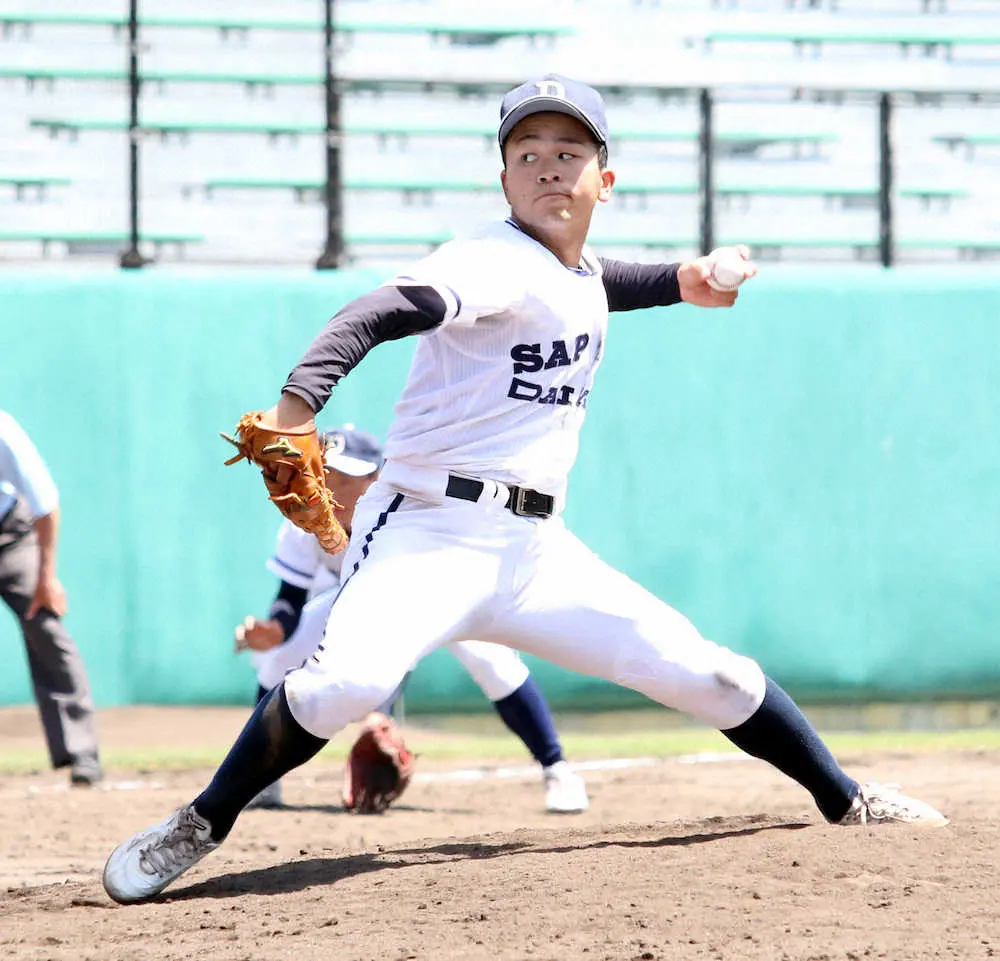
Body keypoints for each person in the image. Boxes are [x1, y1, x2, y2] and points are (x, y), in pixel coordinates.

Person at [103, 74, 948, 905]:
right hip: (428, 531)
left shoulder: (573, 273)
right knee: (341, 689)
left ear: (603, 181)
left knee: (715, 676)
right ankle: (202, 820)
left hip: (537, 553)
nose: (548, 166)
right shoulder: (486, 261)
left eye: (569, 152)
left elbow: (596, 283)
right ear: (503, 178)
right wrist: (298, 403)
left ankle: (846, 796)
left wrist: (687, 279)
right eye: (528, 152)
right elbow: (377, 311)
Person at [236, 424, 588, 814]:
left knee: (492, 662)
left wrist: (379, 714)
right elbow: (290, 599)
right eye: (323, 473)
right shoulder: (302, 521)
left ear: (376, 477)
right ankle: (259, 778)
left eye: (342, 475)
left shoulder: (411, 511)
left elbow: (401, 631)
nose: (328, 485)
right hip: (359, 601)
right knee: (276, 660)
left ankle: (557, 767)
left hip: (441, 592)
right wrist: (275, 630)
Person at [0, 410, 102, 786]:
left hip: (10, 536)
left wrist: (46, 579)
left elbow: (45, 504)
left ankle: (81, 753)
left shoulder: (2, 430)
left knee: (44, 627)